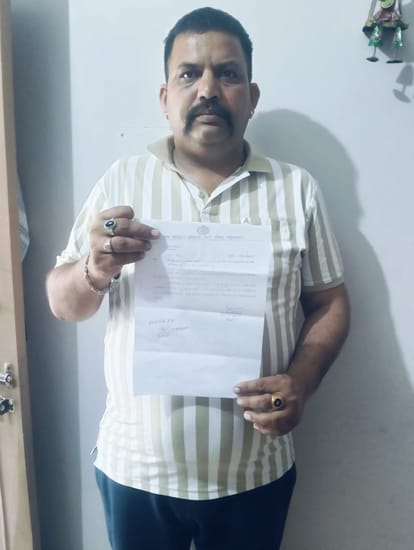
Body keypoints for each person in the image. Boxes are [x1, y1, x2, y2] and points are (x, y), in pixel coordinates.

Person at [46, 7, 350, 550]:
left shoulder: (296, 189)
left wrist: (301, 382)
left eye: (227, 74)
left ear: (251, 97)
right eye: (189, 74)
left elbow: (330, 301)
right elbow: (62, 303)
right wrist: (95, 268)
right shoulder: (122, 180)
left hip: (254, 474)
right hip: (135, 473)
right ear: (165, 98)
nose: (208, 89)